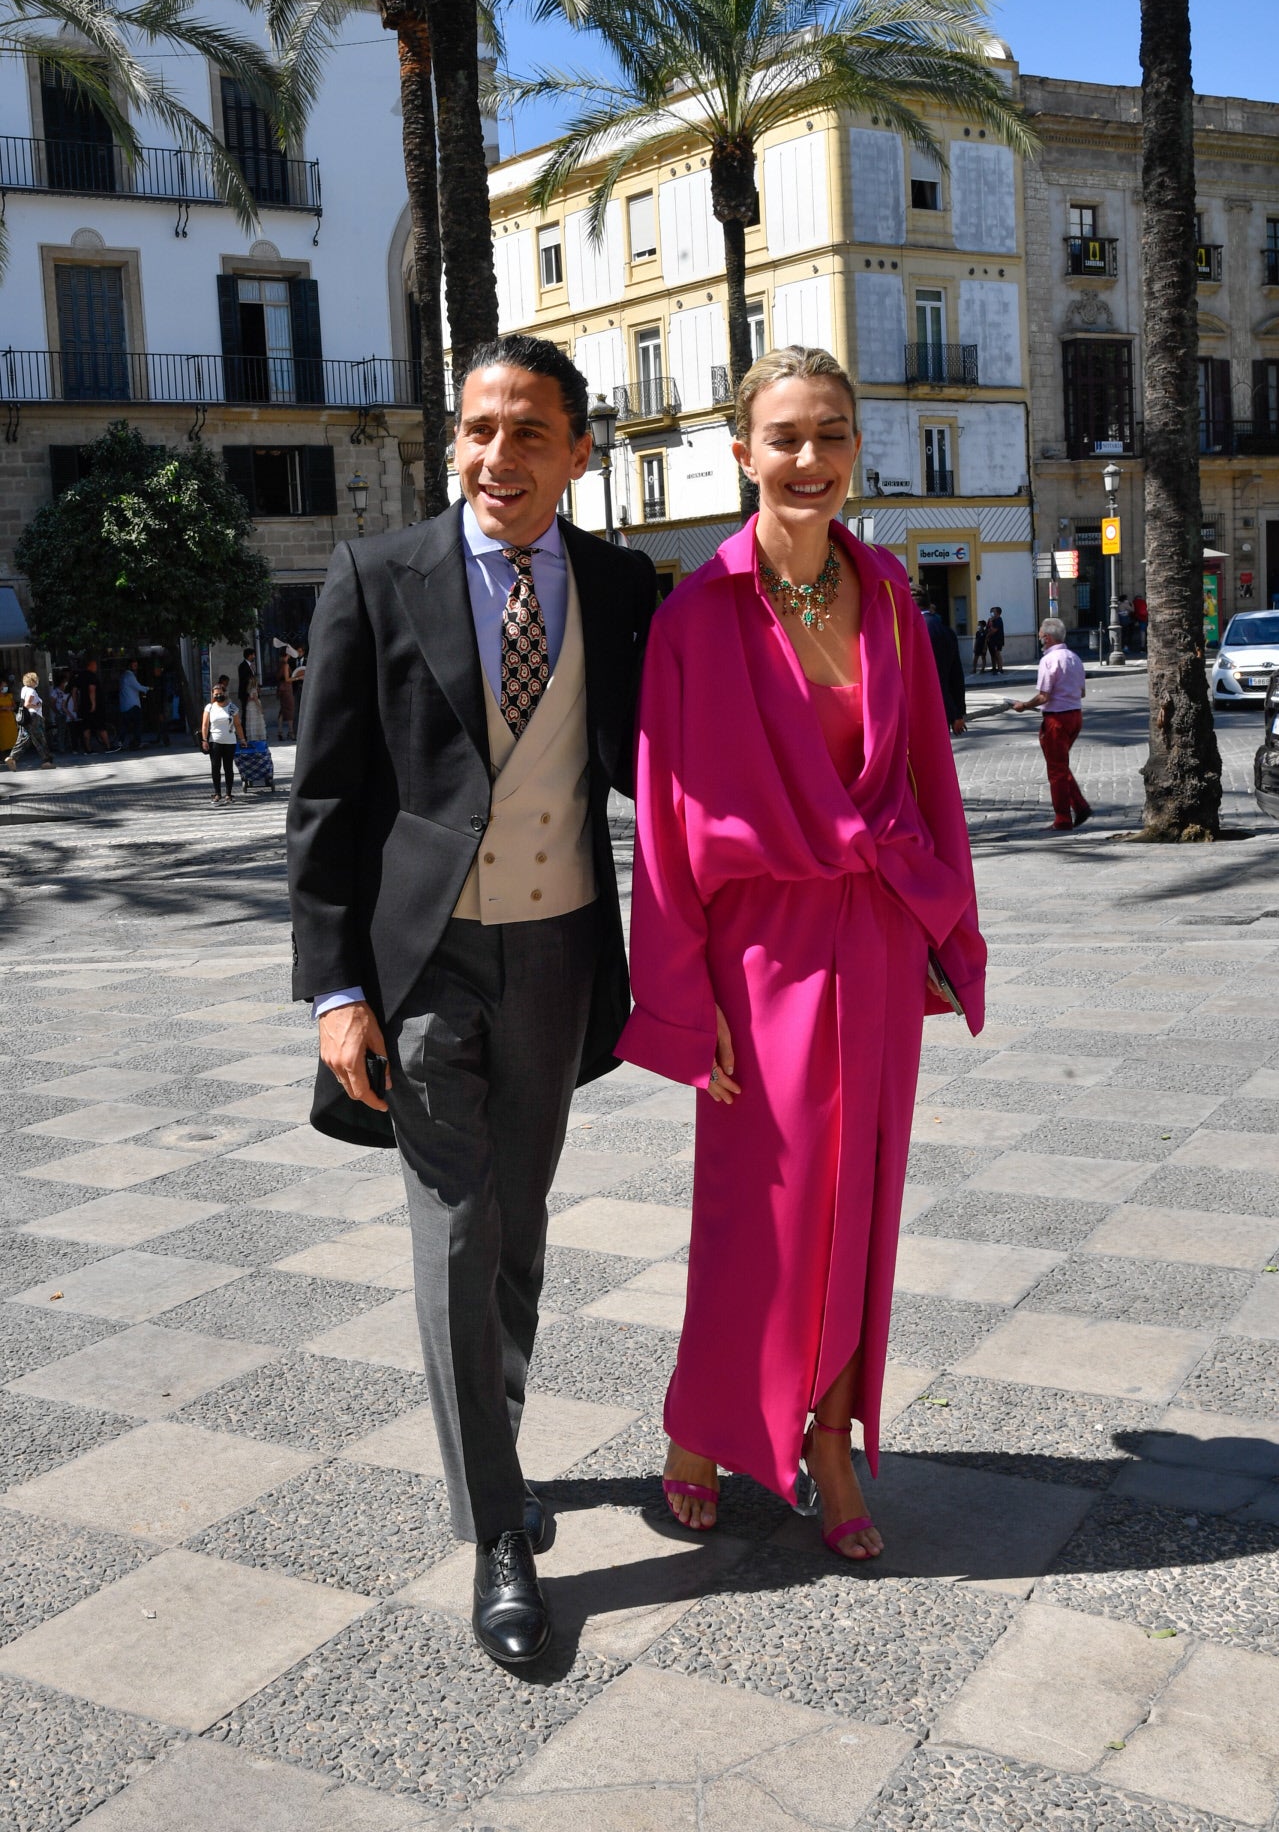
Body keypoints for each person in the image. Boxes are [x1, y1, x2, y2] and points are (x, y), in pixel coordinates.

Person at [287, 333, 658, 1667]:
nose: (496, 456)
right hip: (424, 964)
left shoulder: (620, 587)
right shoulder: (374, 575)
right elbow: (324, 801)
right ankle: (498, 1529)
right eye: (477, 429)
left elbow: (677, 756)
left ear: (577, 451)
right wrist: (335, 990)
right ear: (454, 441)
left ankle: (488, 1440)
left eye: (526, 432)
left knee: (519, 1226)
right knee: (455, 1227)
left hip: (559, 954)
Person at [617, 346, 985, 1564]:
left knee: (860, 1199)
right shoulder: (693, 616)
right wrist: (686, 1000)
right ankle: (702, 1423)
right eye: (785, 437)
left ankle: (831, 1435)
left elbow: (928, 779)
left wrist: (941, 929)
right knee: (757, 1209)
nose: (809, 458)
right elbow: (664, 828)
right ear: (743, 454)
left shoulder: (890, 599)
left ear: (856, 448)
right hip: (755, 952)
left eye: (831, 434)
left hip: (871, 934)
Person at [1013, 617, 1092, 831]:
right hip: (1075, 715)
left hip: (1057, 719)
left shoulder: (1048, 660)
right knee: (1060, 764)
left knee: (1056, 769)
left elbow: (1043, 696)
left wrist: (1024, 705)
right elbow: (1081, 692)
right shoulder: (1074, 658)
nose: (1039, 638)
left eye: (1040, 635)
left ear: (1047, 637)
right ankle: (1079, 805)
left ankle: (1063, 818)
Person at [911, 585, 967, 734]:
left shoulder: (910, 630)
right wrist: (957, 713)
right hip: (941, 710)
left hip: (916, 710)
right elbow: (956, 676)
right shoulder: (947, 631)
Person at [201, 680, 245, 803]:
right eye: (216, 694)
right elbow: (205, 725)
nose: (218, 696)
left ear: (225, 693)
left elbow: (238, 724)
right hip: (214, 741)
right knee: (215, 767)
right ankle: (217, 793)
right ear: (212, 695)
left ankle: (228, 794)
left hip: (230, 741)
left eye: (220, 693)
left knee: (228, 768)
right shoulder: (209, 707)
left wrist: (242, 739)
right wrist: (204, 740)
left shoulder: (232, 707)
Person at [6, 672, 55, 770]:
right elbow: (27, 704)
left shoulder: (24, 689)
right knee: (40, 739)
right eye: (36, 679)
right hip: (34, 718)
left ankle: (12, 758)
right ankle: (47, 761)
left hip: (27, 718)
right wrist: (37, 706)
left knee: (23, 739)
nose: (38, 681)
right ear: (33, 681)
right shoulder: (32, 691)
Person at [77, 658, 115, 752]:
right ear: (90, 665)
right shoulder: (91, 676)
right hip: (94, 706)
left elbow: (76, 690)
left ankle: (88, 749)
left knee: (86, 727)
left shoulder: (81, 676)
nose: (96, 667)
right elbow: (92, 690)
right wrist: (93, 704)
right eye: (95, 665)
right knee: (101, 726)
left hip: (84, 704)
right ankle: (108, 746)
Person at [118, 659, 149, 750]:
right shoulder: (130, 676)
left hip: (125, 705)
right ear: (130, 666)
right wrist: (147, 688)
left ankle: (120, 741)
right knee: (137, 724)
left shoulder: (123, 676)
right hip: (132, 704)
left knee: (125, 724)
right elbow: (138, 687)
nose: (136, 667)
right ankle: (136, 742)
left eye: (136, 665)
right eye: (134, 665)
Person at [275, 648, 296, 741]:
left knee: (282, 711)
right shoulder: (285, 665)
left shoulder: (279, 664)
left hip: (281, 689)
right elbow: (287, 679)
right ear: (287, 655)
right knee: (290, 709)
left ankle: (280, 732)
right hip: (287, 689)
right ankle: (291, 732)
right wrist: (298, 677)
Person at [290, 644, 307, 738]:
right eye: (297, 651)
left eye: (300, 651)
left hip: (305, 689)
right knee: (296, 710)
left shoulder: (307, 661)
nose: (299, 653)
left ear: (303, 652)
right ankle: (296, 732)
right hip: (295, 689)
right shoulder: (292, 662)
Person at [986, 604, 1006, 673]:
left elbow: (994, 630)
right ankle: (994, 668)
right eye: (991, 611)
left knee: (997, 654)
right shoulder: (992, 620)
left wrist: (988, 635)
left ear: (997, 613)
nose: (992, 613)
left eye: (993, 611)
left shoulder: (998, 620)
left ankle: (1000, 669)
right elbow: (988, 629)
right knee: (993, 654)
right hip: (992, 640)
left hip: (998, 640)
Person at [0, 675, 17, 756]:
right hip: (2, 721)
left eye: (6, 686)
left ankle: (12, 755)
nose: (5, 687)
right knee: (3, 739)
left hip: (10, 720)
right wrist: (3, 708)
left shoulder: (9, 696)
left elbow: (14, 706)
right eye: (4, 686)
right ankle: (3, 755)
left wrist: (12, 708)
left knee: (12, 737)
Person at [237, 647, 256, 711]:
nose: (254, 656)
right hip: (245, 693)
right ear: (249, 655)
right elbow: (244, 679)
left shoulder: (251, 665)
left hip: (252, 692)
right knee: (246, 711)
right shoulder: (243, 666)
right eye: (253, 655)